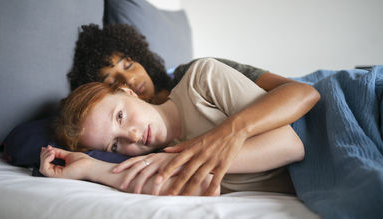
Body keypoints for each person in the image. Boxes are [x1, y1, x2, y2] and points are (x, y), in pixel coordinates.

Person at [65, 24, 320, 195]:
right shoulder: (160, 152)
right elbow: (206, 186)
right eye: (114, 146)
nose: (131, 136)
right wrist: (90, 168)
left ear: (127, 93)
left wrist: (222, 138)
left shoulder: (199, 77)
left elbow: (292, 139)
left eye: (120, 117)